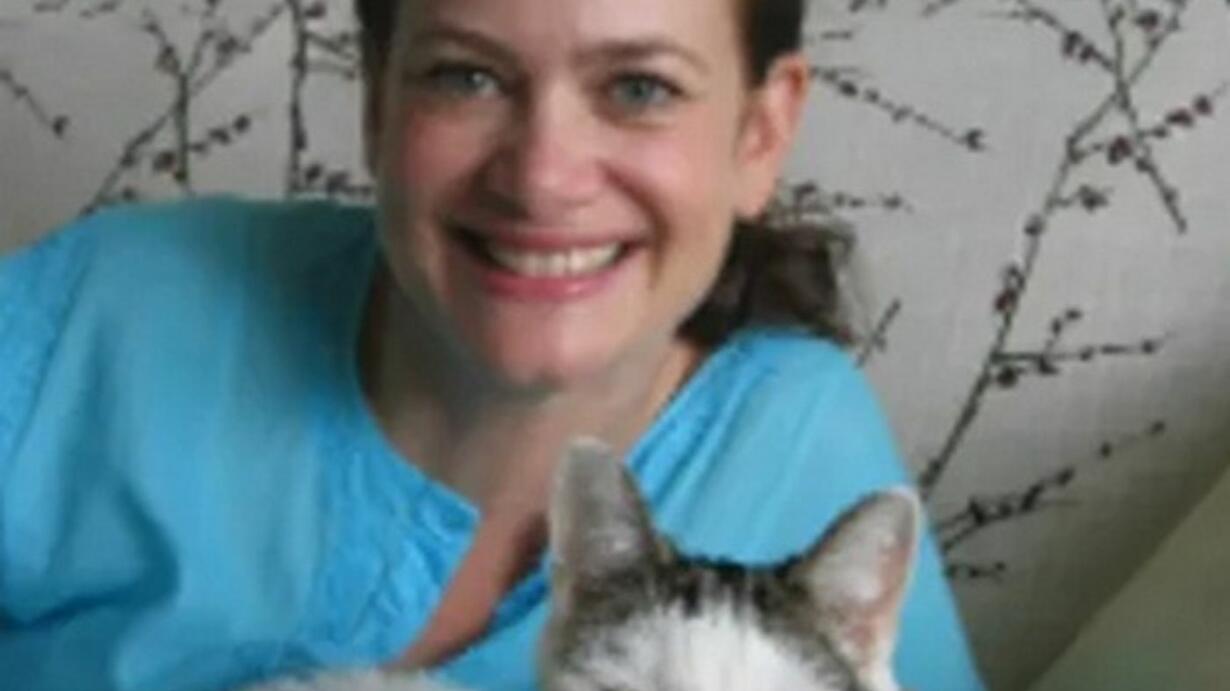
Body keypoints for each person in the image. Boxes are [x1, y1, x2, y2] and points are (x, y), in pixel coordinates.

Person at [0, 0, 986, 689]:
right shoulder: (98, 312)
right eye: (466, 76)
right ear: (378, 103)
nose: (543, 178)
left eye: (640, 87)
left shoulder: (810, 442)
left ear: (761, 134)